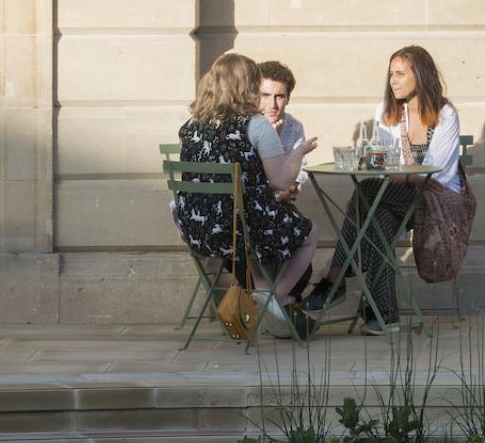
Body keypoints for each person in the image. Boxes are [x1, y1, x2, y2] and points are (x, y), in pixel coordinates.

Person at [302, 45, 461, 333]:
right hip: (395, 196)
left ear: (421, 75)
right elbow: (391, 167)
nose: (393, 80)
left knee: (367, 192)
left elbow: (434, 174)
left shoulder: (444, 114)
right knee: (378, 219)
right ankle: (385, 316)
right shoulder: (387, 112)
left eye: (400, 73)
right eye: (391, 74)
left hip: (435, 201)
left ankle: (334, 280)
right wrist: (403, 175)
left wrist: (401, 175)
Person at [172, 52, 319, 340]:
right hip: (243, 227)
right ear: (246, 85)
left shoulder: (191, 126)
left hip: (198, 228)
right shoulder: (255, 125)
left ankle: (264, 294)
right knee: (310, 233)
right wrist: (299, 152)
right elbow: (283, 179)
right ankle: (273, 299)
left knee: (248, 239)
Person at [256, 60, 308, 203]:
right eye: (265, 95)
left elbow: (301, 169)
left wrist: (292, 187)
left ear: (288, 99)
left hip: (281, 204)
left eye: (279, 96)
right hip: (249, 206)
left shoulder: (294, 127)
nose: (272, 105)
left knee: (310, 226)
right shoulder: (245, 125)